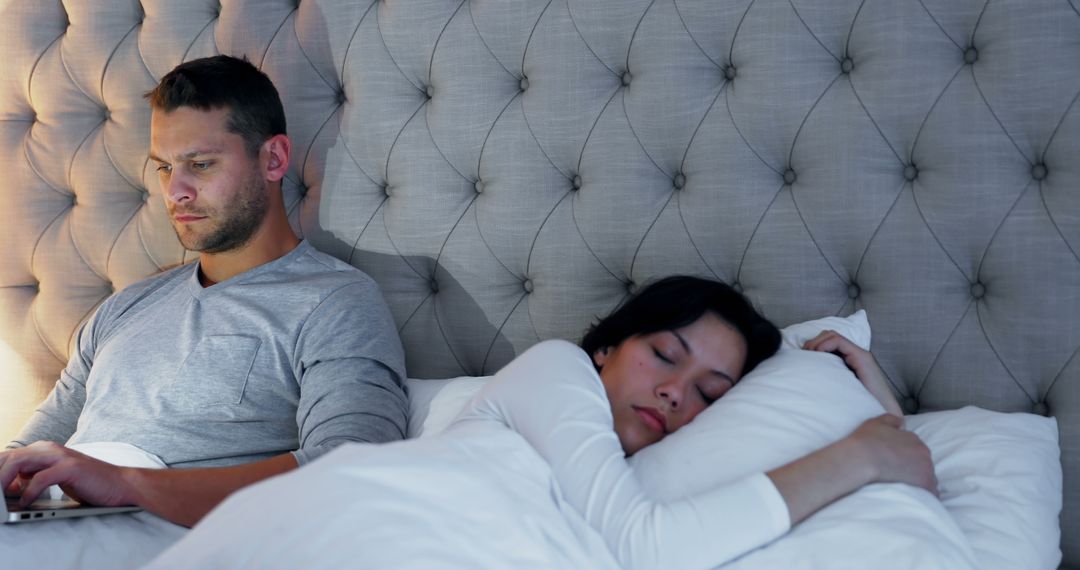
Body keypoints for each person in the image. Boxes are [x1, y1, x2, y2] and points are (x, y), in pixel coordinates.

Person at [142, 276, 935, 569]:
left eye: (709, 394)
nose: (676, 396)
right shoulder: (557, 368)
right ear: (607, 350)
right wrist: (862, 456)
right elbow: (644, 548)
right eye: (665, 354)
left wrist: (879, 406)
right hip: (364, 524)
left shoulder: (630, 481)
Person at [0, 55, 409, 528]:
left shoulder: (334, 302)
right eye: (164, 168)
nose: (176, 192)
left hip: (171, 538)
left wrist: (127, 484)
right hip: (53, 530)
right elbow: (23, 458)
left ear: (273, 159)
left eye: (200, 164)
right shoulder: (125, 308)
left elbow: (350, 466)